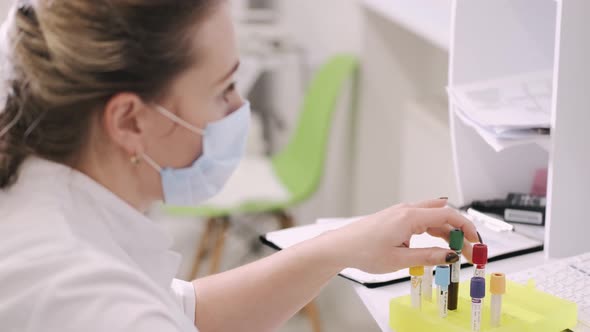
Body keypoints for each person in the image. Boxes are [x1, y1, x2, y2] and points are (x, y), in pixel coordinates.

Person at [0, 1, 479, 331]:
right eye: (222, 89)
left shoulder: (40, 190)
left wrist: (338, 249)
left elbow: (188, 312)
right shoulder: (88, 299)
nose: (237, 109)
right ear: (129, 118)